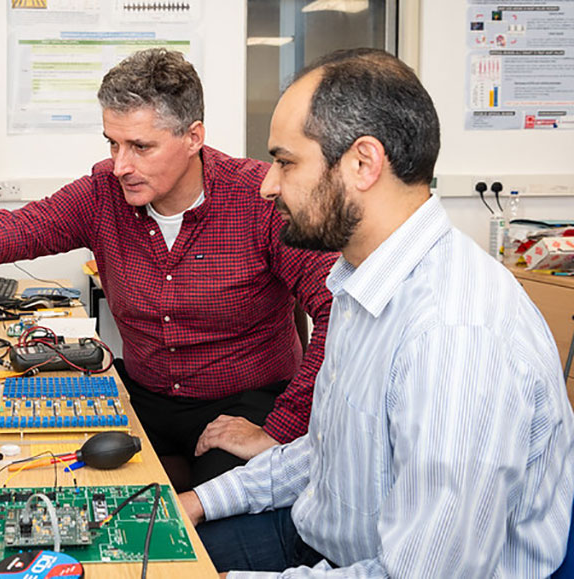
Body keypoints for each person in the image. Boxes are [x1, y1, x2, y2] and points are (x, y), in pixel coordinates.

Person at [0, 48, 336, 489]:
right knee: (65, 485)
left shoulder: (261, 198)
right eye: (112, 143)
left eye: (140, 146)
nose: (120, 164)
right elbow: (5, 231)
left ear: (194, 137)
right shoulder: (102, 196)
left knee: (208, 538)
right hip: (148, 399)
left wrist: (283, 426)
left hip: (247, 405)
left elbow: (338, 307)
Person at [177, 47, 574, 576]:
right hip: (322, 538)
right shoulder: (359, 281)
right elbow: (331, 453)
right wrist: (199, 502)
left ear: (364, 163)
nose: (267, 185)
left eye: (286, 161)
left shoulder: (455, 337)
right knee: (148, 551)